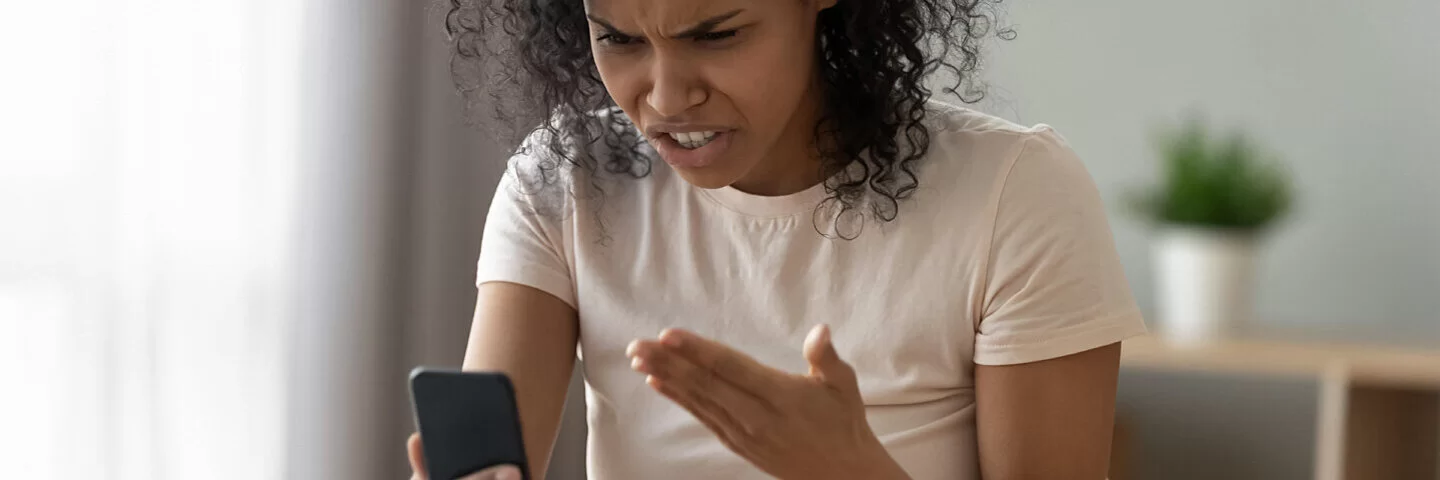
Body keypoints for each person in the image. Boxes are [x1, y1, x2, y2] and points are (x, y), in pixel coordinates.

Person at [408, 0, 1148, 478]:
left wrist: (851, 470)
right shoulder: (565, 181)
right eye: (620, 40)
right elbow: (487, 457)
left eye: (718, 34)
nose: (665, 97)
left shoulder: (1013, 192)